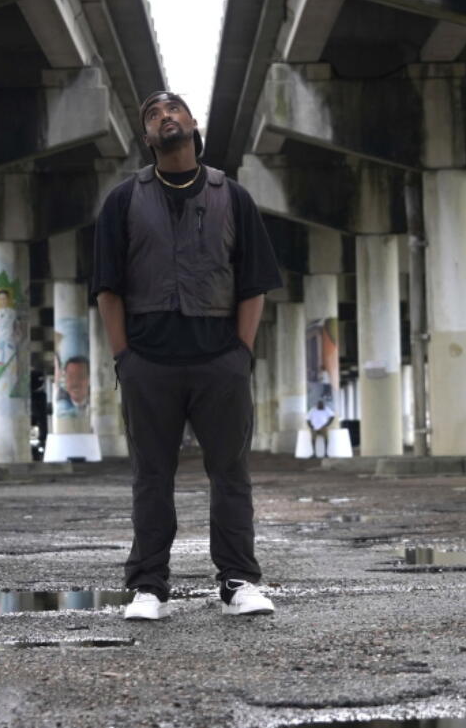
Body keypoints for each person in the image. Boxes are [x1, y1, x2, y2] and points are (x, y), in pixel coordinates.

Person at [92, 90, 283, 621]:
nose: (163, 116)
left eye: (171, 108)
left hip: (218, 359)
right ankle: (149, 587)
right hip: (148, 364)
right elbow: (108, 287)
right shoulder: (123, 200)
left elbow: (254, 283)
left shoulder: (233, 196)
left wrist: (240, 354)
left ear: (193, 123)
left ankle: (240, 581)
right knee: (152, 477)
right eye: (151, 114)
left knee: (231, 473)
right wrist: (124, 358)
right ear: (147, 137)